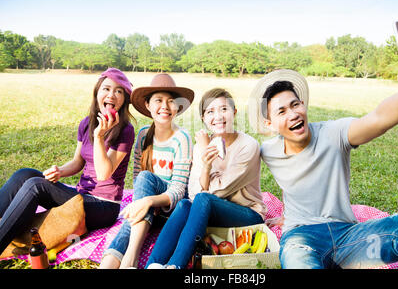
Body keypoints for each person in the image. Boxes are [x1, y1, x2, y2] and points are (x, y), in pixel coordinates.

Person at [248, 19, 398, 269]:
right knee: (298, 260)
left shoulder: (334, 133)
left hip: (349, 237)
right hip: (301, 239)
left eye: (296, 104)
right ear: (270, 125)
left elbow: (380, 117)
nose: (293, 114)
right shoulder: (268, 151)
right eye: (282, 111)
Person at [0, 68, 135, 254]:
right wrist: (60, 171)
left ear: (124, 100)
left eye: (119, 91)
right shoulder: (86, 123)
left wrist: (99, 136)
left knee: (35, 186)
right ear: (97, 93)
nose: (112, 94)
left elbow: (104, 173)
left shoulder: (126, 130)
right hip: (80, 195)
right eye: (106, 88)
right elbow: (78, 162)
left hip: (103, 206)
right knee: (25, 174)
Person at [145, 88, 267, 269]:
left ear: (234, 112)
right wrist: (207, 165)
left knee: (203, 199)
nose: (217, 116)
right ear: (203, 118)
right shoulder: (200, 146)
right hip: (213, 212)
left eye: (224, 109)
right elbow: (193, 192)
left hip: (247, 214)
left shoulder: (248, 145)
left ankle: (174, 266)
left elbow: (218, 192)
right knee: (185, 205)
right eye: (210, 111)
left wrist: (205, 158)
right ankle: (152, 265)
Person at [99, 73, 194, 269]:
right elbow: (137, 181)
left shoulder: (182, 138)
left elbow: (178, 189)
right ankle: (107, 264)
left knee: (143, 186)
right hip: (149, 208)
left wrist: (147, 201)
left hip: (172, 207)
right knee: (133, 214)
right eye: (158, 100)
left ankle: (130, 259)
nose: (165, 107)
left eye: (171, 102)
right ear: (148, 105)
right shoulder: (143, 135)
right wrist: (144, 202)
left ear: (177, 107)